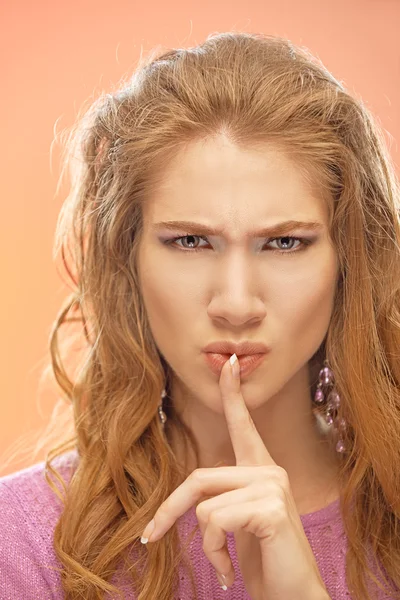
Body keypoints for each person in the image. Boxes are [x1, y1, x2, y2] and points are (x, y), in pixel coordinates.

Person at [1, 31, 400, 600]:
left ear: (349, 262)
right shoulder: (21, 544)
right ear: (127, 256)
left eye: (285, 243)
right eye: (189, 241)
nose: (236, 304)